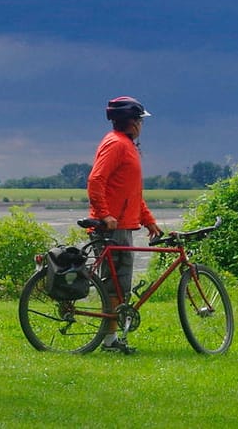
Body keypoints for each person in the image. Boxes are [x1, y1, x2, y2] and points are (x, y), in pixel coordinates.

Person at [86, 95, 162, 354]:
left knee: (121, 284)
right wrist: (105, 214)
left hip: (124, 225)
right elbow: (96, 180)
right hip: (112, 228)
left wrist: (148, 221)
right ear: (132, 122)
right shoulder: (116, 145)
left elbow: (131, 193)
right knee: (114, 285)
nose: (141, 124)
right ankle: (109, 341)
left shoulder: (127, 146)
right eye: (140, 119)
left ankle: (113, 338)